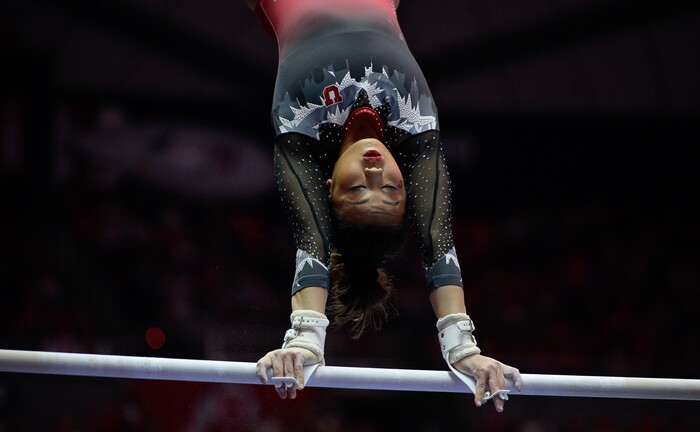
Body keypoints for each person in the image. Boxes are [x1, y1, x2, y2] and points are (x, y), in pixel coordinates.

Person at [248, 0, 523, 412]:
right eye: (391, 192)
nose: (375, 174)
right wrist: (462, 346)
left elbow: (312, 241)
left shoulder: (298, 129)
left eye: (358, 190)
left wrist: (305, 339)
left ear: (327, 190)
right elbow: (437, 238)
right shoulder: (417, 126)